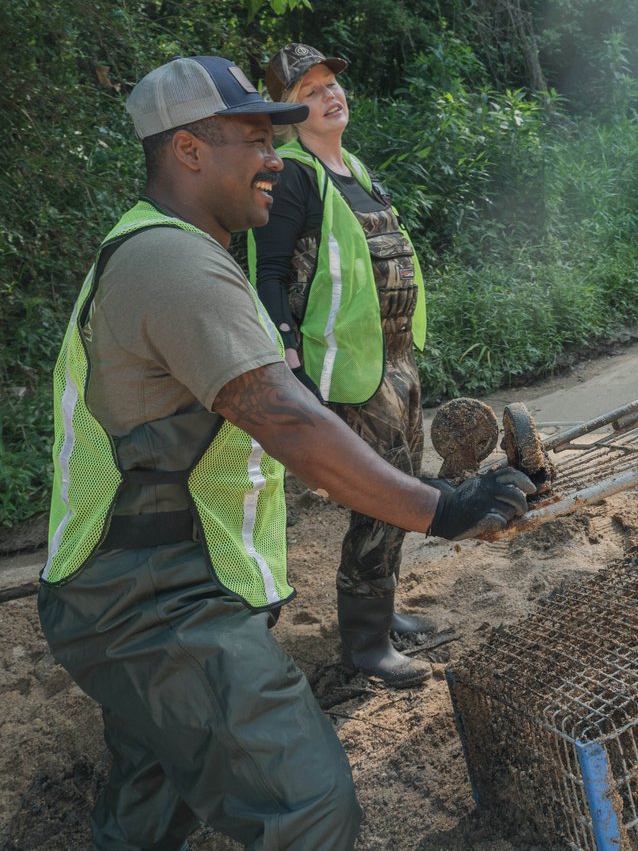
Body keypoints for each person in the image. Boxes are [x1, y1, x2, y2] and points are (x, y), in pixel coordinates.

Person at [38, 55, 535, 850]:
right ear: (189, 150)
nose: (276, 157)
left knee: (151, 805)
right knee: (305, 809)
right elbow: (286, 419)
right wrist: (442, 509)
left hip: (134, 591)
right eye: (255, 138)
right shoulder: (173, 262)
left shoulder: (164, 249)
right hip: (155, 609)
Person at [246, 42, 438, 688]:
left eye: (332, 83)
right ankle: (365, 646)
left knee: (408, 484)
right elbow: (267, 274)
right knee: (380, 502)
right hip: (349, 373)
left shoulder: (352, 167)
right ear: (285, 115)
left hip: (396, 362)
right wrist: (290, 363)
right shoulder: (295, 175)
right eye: (310, 92)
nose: (331, 95)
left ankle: (383, 617)